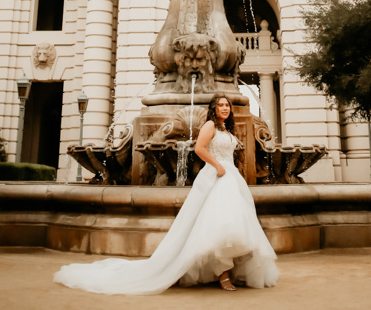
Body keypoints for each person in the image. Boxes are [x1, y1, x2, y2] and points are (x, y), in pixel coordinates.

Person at [54, 94, 278, 294]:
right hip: (216, 175)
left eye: (227, 105)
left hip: (231, 178)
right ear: (214, 108)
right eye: (220, 105)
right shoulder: (209, 125)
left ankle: (231, 270)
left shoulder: (226, 130)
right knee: (220, 226)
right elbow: (199, 148)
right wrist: (218, 166)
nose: (225, 108)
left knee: (234, 224)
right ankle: (223, 274)